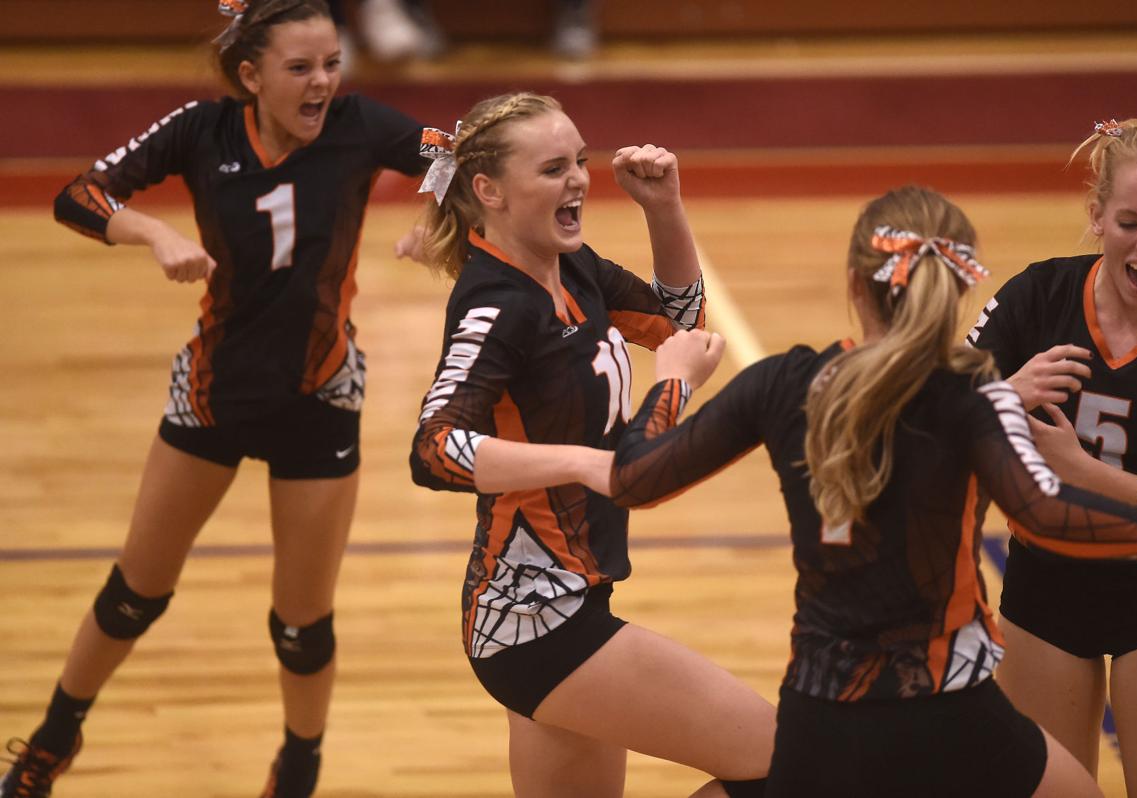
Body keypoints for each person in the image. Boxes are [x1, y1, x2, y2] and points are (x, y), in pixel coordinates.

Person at [605, 184, 1137, 796]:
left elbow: (634, 478)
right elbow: (1049, 517)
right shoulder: (976, 400)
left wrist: (673, 381)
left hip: (823, 712)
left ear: (855, 285)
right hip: (952, 713)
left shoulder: (782, 382)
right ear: (954, 294)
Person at [1, 2, 427, 797]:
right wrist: (154, 233)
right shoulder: (203, 130)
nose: (322, 83)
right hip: (213, 391)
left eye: (332, 64)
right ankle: (50, 746)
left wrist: (440, 220)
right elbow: (80, 194)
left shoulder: (361, 124)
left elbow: (470, 159)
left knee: (301, 626)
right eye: (300, 68)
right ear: (251, 76)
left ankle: (296, 772)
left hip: (320, 394)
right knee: (135, 595)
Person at [405, 91, 774, 797]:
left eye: (578, 160)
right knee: (789, 764)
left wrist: (663, 208)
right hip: (535, 621)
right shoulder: (496, 304)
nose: (578, 179)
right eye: (552, 169)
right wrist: (603, 445)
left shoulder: (570, 266)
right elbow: (435, 448)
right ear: (489, 191)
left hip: (568, 602)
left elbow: (680, 325)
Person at [968, 118, 1137, 795]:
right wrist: (1002, 395)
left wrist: (1087, 475)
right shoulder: (1034, 298)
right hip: (1045, 588)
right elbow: (929, 424)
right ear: (1097, 215)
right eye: (1129, 222)